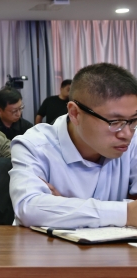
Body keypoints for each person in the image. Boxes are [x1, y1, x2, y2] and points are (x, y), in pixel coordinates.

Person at [9, 63, 137, 228]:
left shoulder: (134, 141)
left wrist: (64, 209)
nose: (126, 134)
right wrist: (126, 212)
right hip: (44, 245)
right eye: (115, 122)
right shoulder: (34, 145)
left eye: (133, 120)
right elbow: (28, 208)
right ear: (75, 113)